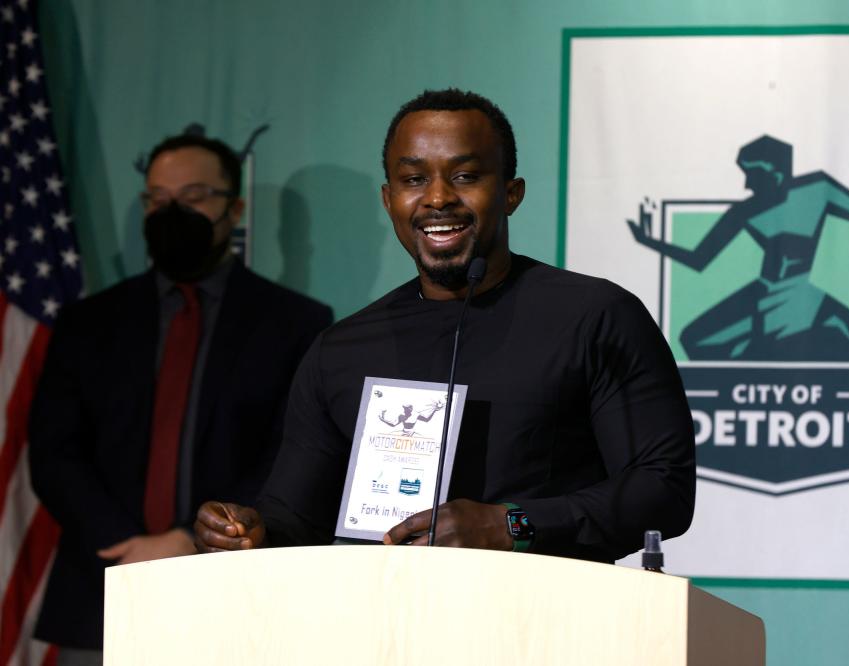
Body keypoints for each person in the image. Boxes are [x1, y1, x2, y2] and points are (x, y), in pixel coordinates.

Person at [195, 88, 695, 562]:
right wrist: (248, 533)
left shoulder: (595, 316)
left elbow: (662, 487)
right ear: (389, 199)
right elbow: (295, 518)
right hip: (389, 636)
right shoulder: (340, 350)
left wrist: (512, 526)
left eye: (464, 176)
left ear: (511, 193)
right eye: (414, 179)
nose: (437, 198)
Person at [28, 133, 333, 658]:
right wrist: (129, 544)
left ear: (233, 208)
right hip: (100, 587)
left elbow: (288, 452)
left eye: (193, 198)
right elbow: (55, 451)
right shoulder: (89, 322)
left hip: (233, 592)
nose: (172, 212)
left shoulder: (295, 323)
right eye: (158, 200)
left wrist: (186, 537)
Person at [627, 135, 849, 361]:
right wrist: (648, 241)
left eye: (750, 173)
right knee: (692, 338)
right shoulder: (745, 210)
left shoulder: (817, 189)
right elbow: (699, 259)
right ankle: (755, 356)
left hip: (802, 294)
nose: (746, 184)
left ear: (773, 171)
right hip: (762, 292)